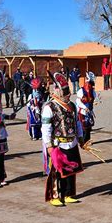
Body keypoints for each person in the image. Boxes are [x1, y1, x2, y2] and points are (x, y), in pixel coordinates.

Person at [42, 72, 84, 206]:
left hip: (72, 142)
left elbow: (77, 122)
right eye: (65, 92)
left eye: (69, 91)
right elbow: (46, 128)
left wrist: (81, 137)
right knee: (57, 172)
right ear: (58, 92)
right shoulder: (49, 107)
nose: (68, 94)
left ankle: (68, 194)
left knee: (71, 170)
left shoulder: (72, 106)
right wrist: (48, 145)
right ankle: (55, 196)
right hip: (57, 144)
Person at [76, 72, 96, 143]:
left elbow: (92, 100)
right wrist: (84, 107)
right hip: (82, 111)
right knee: (82, 127)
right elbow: (78, 102)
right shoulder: (80, 91)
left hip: (89, 111)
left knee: (89, 127)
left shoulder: (93, 91)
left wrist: (91, 105)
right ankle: (82, 141)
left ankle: (88, 140)